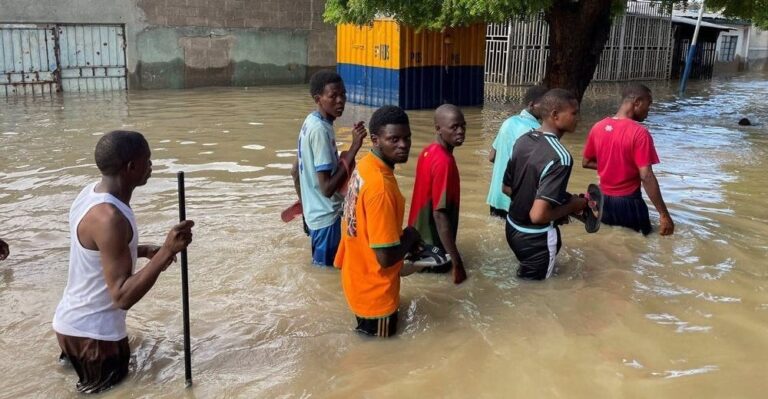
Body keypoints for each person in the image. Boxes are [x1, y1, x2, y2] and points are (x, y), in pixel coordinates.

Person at [52, 130, 194, 394]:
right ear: (131, 167)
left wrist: (142, 250)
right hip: (97, 340)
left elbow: (95, 251)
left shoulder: (89, 194)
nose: (151, 166)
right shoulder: (111, 218)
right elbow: (122, 296)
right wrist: (166, 251)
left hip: (70, 326)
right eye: (147, 160)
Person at [334, 105, 423, 338]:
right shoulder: (380, 188)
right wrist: (411, 235)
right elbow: (385, 258)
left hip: (356, 278)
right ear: (375, 140)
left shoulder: (365, 166)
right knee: (380, 360)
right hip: (376, 296)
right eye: (393, 139)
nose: (403, 145)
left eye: (407, 138)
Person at [503, 89, 588, 280]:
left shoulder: (523, 140)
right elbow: (538, 215)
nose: (578, 118)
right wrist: (572, 206)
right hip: (536, 240)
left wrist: (561, 201)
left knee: (524, 282)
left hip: (512, 229)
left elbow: (507, 188)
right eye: (574, 113)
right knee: (537, 294)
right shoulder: (561, 157)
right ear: (555, 115)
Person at [291, 70, 367, 266]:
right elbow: (326, 189)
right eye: (333, 96)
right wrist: (353, 149)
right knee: (327, 275)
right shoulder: (320, 131)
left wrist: (305, 209)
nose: (340, 101)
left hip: (316, 217)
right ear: (319, 99)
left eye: (343, 94)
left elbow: (295, 170)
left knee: (320, 273)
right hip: (327, 220)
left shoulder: (311, 121)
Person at [582, 83, 674, 236]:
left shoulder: (597, 127)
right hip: (629, 203)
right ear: (637, 102)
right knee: (642, 246)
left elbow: (586, 162)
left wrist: (613, 167)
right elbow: (646, 176)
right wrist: (664, 214)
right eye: (648, 104)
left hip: (603, 202)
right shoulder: (640, 133)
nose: (649, 110)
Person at [407, 104, 467, 284]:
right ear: (438, 129)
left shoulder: (428, 151)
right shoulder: (444, 162)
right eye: (454, 127)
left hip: (418, 244)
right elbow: (439, 215)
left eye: (463, 126)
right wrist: (457, 262)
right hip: (433, 252)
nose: (461, 131)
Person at [487, 85, 548, 218]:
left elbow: (492, 156)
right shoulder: (538, 131)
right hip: (514, 199)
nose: (547, 110)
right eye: (544, 105)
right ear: (531, 105)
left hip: (496, 196)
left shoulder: (508, 122)